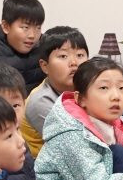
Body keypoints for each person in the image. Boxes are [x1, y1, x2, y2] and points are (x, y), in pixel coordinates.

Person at [21, 26, 88, 156]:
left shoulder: (86, 90)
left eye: (80, 55)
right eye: (63, 56)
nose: (74, 62)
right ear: (45, 66)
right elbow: (72, 147)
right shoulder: (40, 101)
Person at [0, 0, 47, 91]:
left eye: (38, 28)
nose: (32, 35)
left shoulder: (45, 48)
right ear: (6, 26)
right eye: (25, 27)